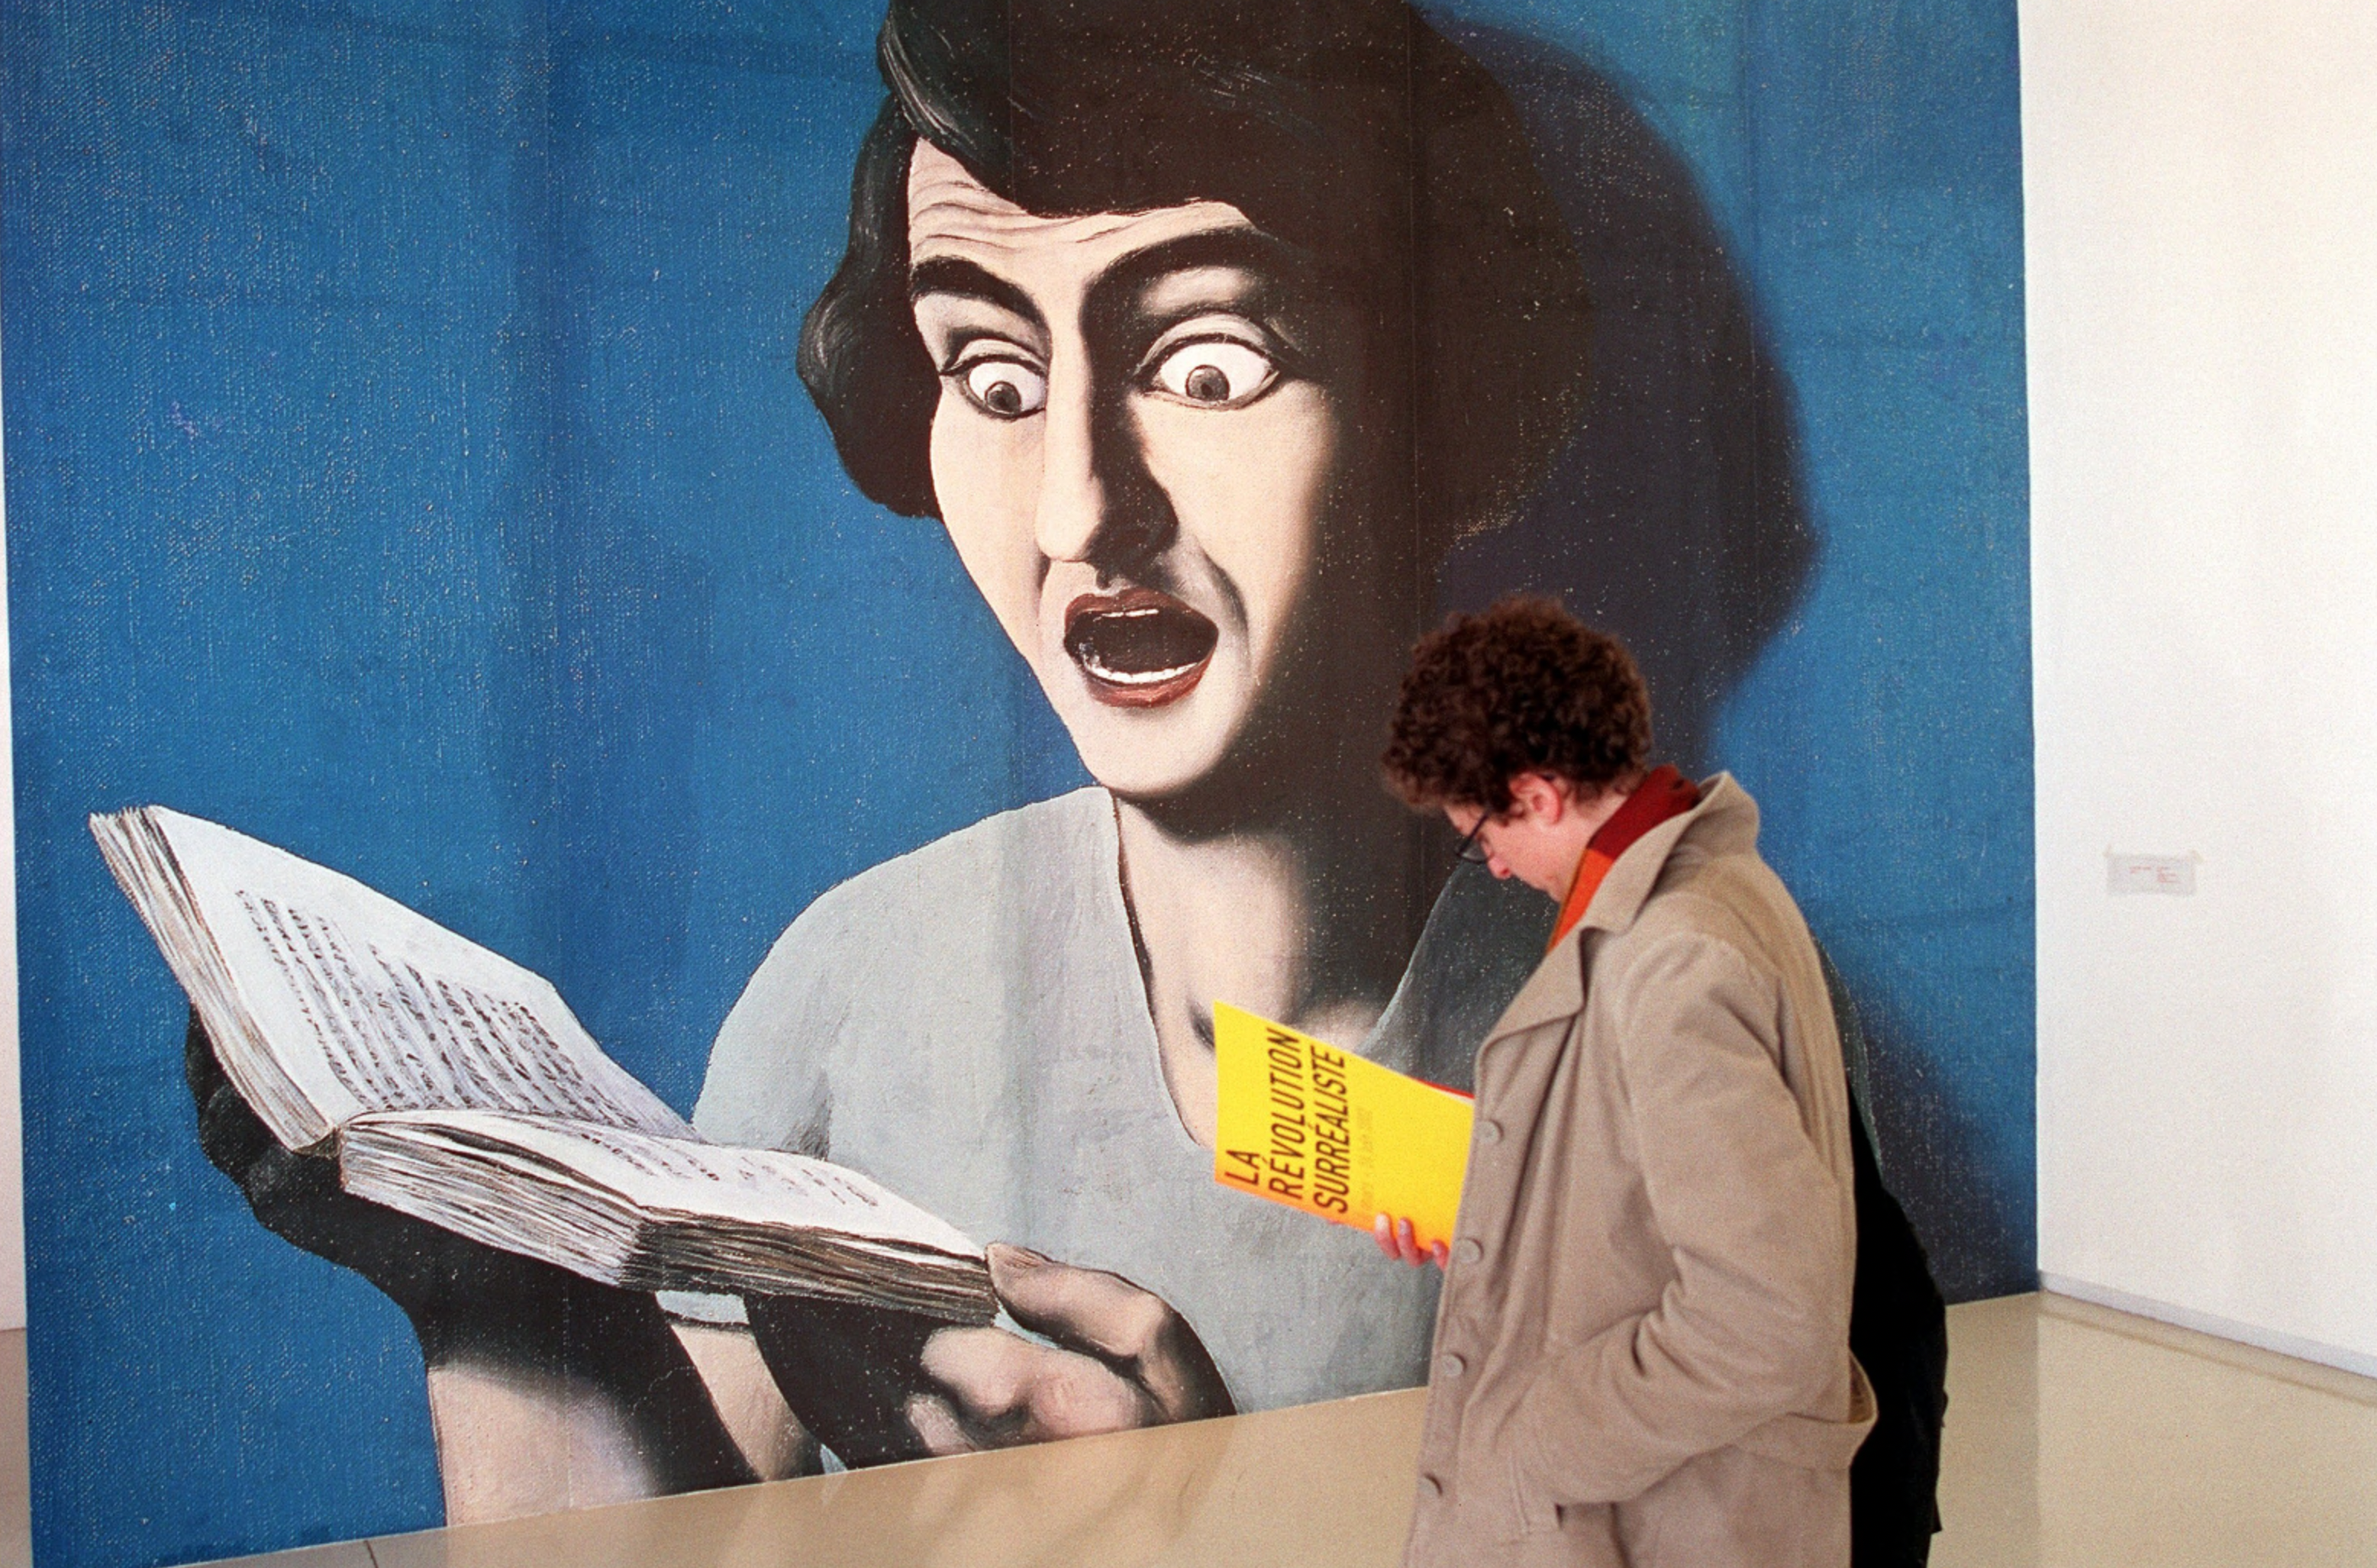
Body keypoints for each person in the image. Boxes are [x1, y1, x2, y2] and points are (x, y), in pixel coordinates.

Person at [189, 0, 1601, 1515]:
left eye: (1208, 364)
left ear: (1436, 417)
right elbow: (683, 1546)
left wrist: (1204, 1507)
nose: (1079, 512)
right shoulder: (860, 981)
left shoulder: (1615, 1047)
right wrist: (484, 1302)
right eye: (993, 378)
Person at [1376, 597, 1875, 1567]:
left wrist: (1541, 1439)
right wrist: (1496, 1215)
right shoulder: (1699, 889)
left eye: (1481, 835)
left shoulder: (1672, 957)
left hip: (1668, 1514)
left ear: (1541, 793)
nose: (1496, 867)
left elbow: (1767, 1316)